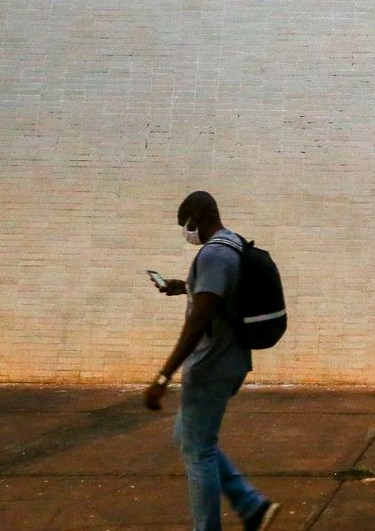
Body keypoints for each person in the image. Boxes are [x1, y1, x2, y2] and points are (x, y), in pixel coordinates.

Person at [143, 191, 280, 531]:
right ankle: (251, 505)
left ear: (196, 220)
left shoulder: (213, 255)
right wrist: (183, 287)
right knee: (188, 437)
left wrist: (163, 377)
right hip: (231, 361)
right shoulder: (232, 243)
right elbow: (215, 296)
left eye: (184, 225)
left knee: (198, 452)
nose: (185, 232)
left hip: (211, 366)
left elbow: (199, 320)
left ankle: (215, 524)